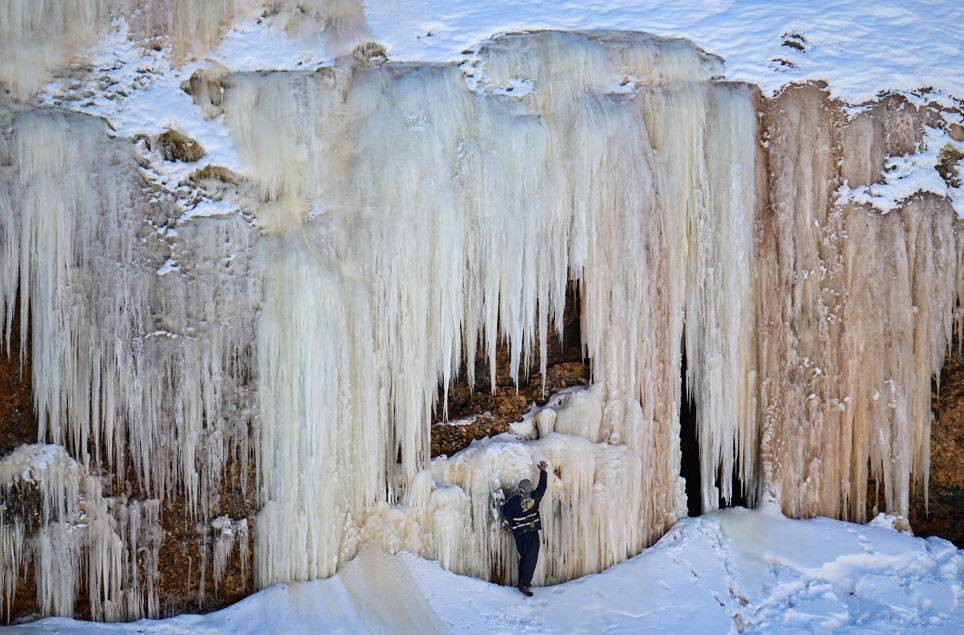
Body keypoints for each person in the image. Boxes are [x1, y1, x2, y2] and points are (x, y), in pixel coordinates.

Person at [501, 460, 548, 597]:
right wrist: (543, 471)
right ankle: (525, 584)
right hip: (531, 534)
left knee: (524, 557)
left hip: (519, 535)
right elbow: (542, 487)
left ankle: (521, 580)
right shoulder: (535, 497)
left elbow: (506, 512)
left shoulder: (514, 501)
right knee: (531, 559)